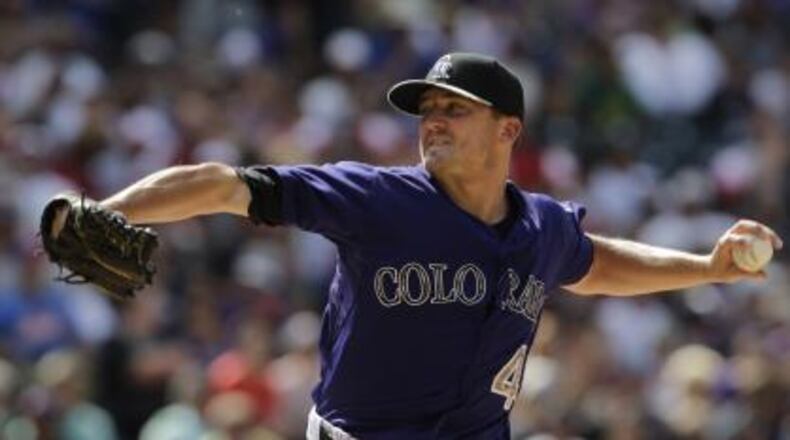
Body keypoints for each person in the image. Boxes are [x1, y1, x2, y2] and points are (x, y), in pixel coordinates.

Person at [97, 53, 782, 439]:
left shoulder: (543, 228)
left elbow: (598, 263)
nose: (434, 123)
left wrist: (704, 268)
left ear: (508, 129)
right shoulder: (377, 199)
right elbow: (225, 185)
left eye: (455, 109)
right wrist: (110, 210)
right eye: (428, 112)